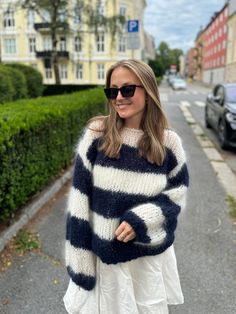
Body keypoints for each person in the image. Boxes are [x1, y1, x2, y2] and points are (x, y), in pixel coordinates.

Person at [63, 59, 189, 314]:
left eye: (127, 90)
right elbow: (79, 198)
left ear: (148, 90)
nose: (118, 98)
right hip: (105, 264)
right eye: (112, 91)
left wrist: (142, 219)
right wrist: (80, 259)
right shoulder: (97, 134)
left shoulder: (168, 143)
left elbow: (178, 193)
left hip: (146, 261)